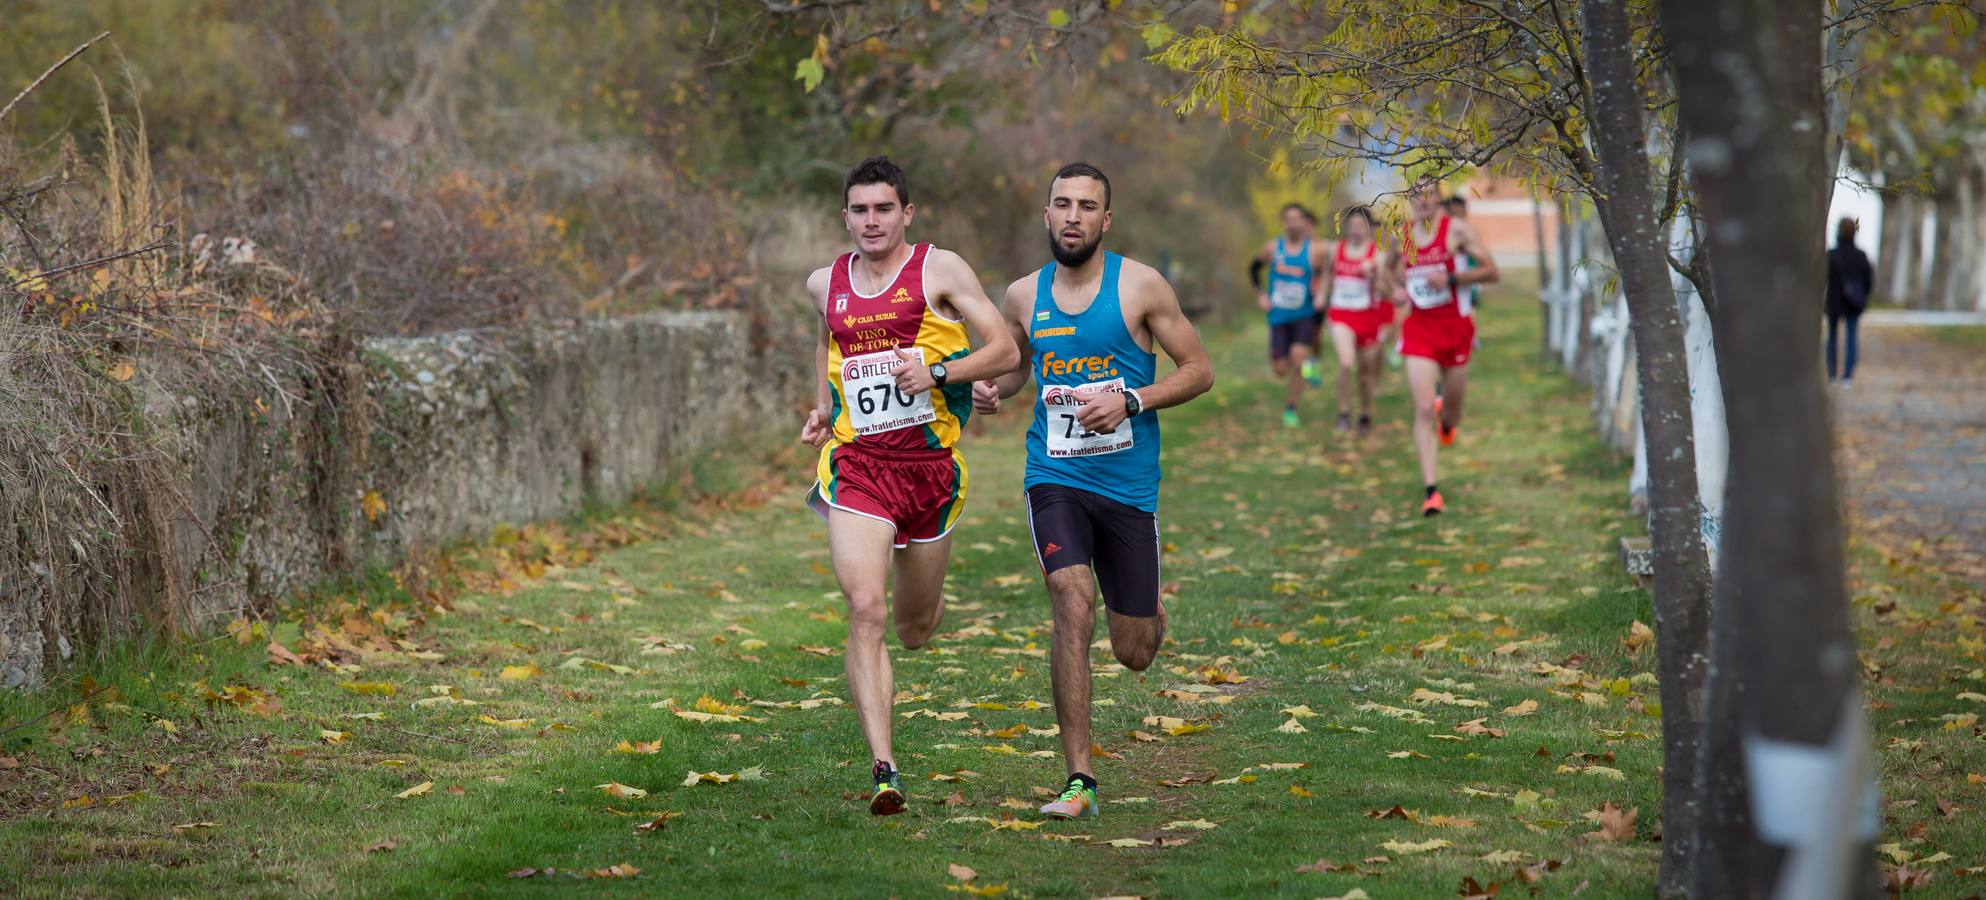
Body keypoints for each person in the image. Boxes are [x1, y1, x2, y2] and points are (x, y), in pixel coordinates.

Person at [973, 162, 1214, 820]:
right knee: (1070, 600)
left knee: (1134, 652)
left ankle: (1146, 611)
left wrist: (1131, 399)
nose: (1073, 215)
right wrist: (996, 389)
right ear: (1046, 215)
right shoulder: (1023, 295)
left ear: (1106, 221)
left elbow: (1198, 370)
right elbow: (1018, 365)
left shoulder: (1141, 287)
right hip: (1056, 475)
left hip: (1129, 484)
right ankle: (1079, 780)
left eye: (1087, 206)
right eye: (1062, 204)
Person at [798, 156, 1019, 816]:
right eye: (860, 210)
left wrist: (943, 373)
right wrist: (822, 406)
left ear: (906, 214)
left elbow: (1005, 350)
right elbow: (827, 342)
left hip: (930, 471)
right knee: (865, 608)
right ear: (845, 216)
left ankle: (922, 610)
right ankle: (884, 769)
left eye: (883, 209)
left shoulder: (940, 269)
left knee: (913, 627)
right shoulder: (823, 282)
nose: (871, 220)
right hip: (857, 467)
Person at [1390, 179, 1500, 516]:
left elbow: (1491, 272)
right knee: (1423, 409)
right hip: (1419, 330)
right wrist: (1392, 290)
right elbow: (1388, 273)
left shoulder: (1457, 232)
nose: (1422, 200)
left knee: (1450, 412)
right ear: (1410, 200)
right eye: (1416, 195)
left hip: (1455, 330)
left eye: (1429, 194)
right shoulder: (1402, 236)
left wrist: (1451, 280)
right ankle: (1431, 491)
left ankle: (1448, 423)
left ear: (1438, 199)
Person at [1250, 203, 1330, 427]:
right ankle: (1306, 368)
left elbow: (1325, 271)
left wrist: (1322, 292)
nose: (1293, 223)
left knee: (1298, 359)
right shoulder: (1273, 248)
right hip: (1278, 315)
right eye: (1289, 219)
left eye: (1297, 219)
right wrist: (1261, 295)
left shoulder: (1315, 250)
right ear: (1283, 222)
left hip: (1303, 314)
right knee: (1280, 370)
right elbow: (1254, 269)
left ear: (1303, 222)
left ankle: (1291, 407)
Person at [1321, 205, 1392, 434]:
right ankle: (1343, 412)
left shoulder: (1377, 256)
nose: (1355, 230)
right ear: (1346, 228)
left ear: (1368, 228)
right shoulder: (1335, 250)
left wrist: (1372, 277)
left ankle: (1365, 413)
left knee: (1365, 375)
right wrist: (1321, 295)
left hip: (1368, 317)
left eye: (1360, 226)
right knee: (1345, 362)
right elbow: (1326, 274)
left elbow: (1386, 289)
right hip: (1341, 314)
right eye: (1351, 225)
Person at [1825, 217, 1874, 385]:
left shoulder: (1832, 255)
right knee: (1851, 337)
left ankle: (1832, 374)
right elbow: (1868, 281)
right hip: (1854, 302)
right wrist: (1862, 297)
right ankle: (1847, 376)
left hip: (1834, 301)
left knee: (1832, 337)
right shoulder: (1861, 256)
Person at [1443, 195, 1484, 315]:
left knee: (1468, 317)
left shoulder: (1469, 234)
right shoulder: (1444, 236)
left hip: (1468, 287)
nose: (1457, 219)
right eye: (1454, 214)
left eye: (1461, 214)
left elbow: (1483, 265)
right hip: (1447, 291)